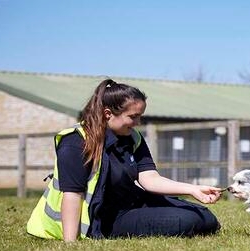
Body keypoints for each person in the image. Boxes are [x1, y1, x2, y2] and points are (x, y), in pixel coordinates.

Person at [27, 79, 221, 241]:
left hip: (131, 204)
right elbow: (72, 195)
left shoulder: (133, 138)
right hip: (105, 218)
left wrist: (193, 190)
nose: (138, 123)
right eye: (133, 117)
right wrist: (70, 243)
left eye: (140, 116)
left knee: (205, 217)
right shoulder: (76, 142)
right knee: (188, 221)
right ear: (108, 114)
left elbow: (150, 179)